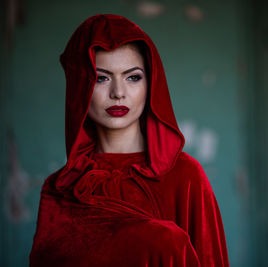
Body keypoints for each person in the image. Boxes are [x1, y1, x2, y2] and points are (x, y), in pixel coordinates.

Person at [30, 14, 229, 267]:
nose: (118, 93)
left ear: (151, 84)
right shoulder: (59, 187)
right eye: (102, 78)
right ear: (80, 86)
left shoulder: (185, 176)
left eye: (132, 77)